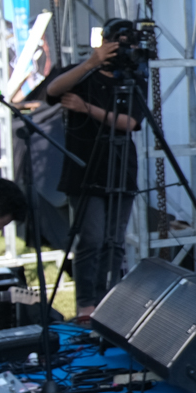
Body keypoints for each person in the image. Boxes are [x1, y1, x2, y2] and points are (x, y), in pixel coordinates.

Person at [43, 29, 143, 318]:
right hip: (85, 168)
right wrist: (91, 62)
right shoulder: (80, 73)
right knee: (92, 238)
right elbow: (52, 91)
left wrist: (86, 108)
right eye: (115, 45)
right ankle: (87, 304)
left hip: (121, 168)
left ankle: (110, 300)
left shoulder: (133, 78)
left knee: (114, 241)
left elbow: (130, 122)